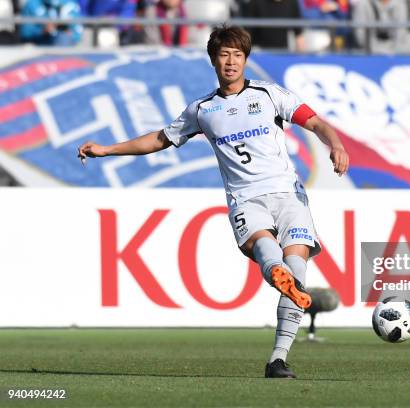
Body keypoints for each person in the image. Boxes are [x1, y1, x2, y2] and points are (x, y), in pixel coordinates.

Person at [77, 25, 349, 379]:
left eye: (237, 55)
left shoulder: (270, 95)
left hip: (288, 194)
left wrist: (337, 145)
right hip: (246, 198)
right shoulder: (203, 109)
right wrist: (108, 149)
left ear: (246, 59)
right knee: (268, 250)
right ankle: (276, 287)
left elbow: (314, 122)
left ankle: (277, 358)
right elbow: (161, 139)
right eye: (224, 55)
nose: (231, 62)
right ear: (213, 61)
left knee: (295, 272)